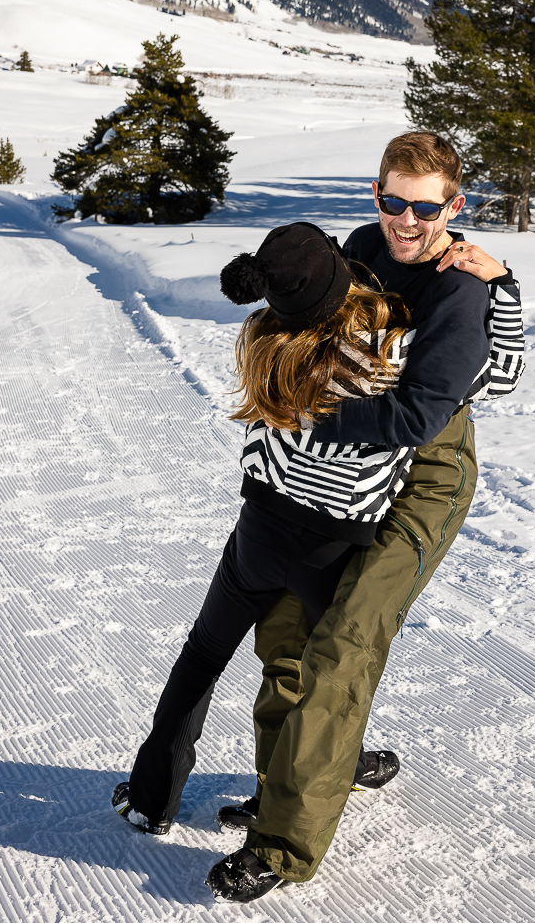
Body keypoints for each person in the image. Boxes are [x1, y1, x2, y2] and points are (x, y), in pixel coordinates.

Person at [207, 131, 524, 902]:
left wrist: (301, 417)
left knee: (345, 642)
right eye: (393, 201)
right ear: (375, 194)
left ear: (454, 205)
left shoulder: (458, 288)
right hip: (340, 474)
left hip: (421, 480)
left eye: (424, 206)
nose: (406, 221)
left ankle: (282, 843)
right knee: (286, 630)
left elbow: (418, 416)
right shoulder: (358, 248)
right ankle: (293, 780)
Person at [112, 221, 420, 866]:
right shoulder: (384, 347)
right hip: (331, 546)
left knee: (202, 656)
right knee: (329, 678)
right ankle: (336, 765)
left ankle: (151, 798)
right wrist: (496, 286)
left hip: (260, 530)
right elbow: (485, 376)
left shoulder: (262, 341)